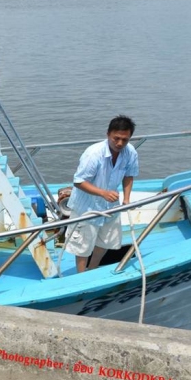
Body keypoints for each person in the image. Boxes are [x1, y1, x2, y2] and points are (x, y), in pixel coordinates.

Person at [65, 115, 139, 273]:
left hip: (110, 205)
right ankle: (81, 276)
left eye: (124, 140)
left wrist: (126, 199)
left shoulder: (130, 152)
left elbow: (129, 175)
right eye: (116, 138)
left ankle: (93, 268)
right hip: (86, 206)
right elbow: (78, 181)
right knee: (82, 246)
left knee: (106, 240)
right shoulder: (94, 154)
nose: (120, 143)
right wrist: (102, 193)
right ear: (108, 134)